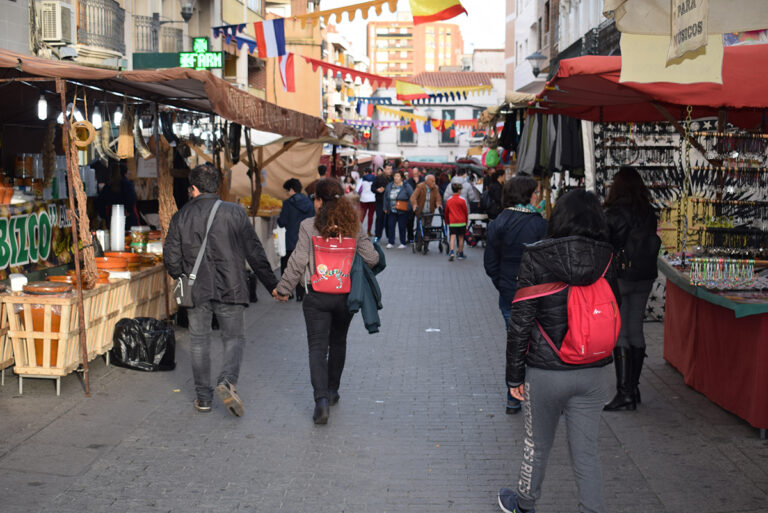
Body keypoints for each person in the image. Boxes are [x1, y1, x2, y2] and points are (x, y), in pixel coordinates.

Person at [499, 188, 618, 513]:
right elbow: (610, 309)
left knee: (536, 446)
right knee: (587, 452)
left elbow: (520, 323)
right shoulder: (607, 256)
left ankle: (524, 505)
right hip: (594, 371)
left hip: (546, 372)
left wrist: (514, 378)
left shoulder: (537, 256)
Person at [164, 164, 279, 416]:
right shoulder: (235, 212)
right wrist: (273, 285)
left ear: (192, 188)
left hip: (196, 290)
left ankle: (203, 399)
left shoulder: (181, 215)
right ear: (216, 186)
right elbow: (255, 252)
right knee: (234, 338)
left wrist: (183, 276)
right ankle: (226, 381)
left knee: (199, 341)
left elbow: (170, 259)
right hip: (232, 285)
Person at [272, 178, 379, 425]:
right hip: (345, 295)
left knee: (317, 347)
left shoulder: (309, 225)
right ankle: (332, 391)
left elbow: (298, 261)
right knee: (338, 342)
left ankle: (320, 401)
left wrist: (284, 289)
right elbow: (372, 258)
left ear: (319, 200)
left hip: (316, 295)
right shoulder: (353, 225)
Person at [484, 176, 547, 414]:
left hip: (511, 294)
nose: (538, 196)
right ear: (527, 194)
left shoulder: (499, 222)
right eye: (536, 192)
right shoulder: (540, 224)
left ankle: (513, 398)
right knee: (541, 345)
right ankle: (538, 397)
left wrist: (503, 285)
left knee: (516, 344)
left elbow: (490, 263)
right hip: (539, 294)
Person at [603, 166, 659, 411]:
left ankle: (624, 392)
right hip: (645, 276)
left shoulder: (613, 213)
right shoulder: (649, 212)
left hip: (621, 276)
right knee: (636, 328)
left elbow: (606, 243)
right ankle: (633, 388)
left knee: (620, 331)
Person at [277, 178, 315, 302]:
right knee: (303, 266)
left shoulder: (288, 203)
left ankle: (288, 292)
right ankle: (301, 293)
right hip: (305, 240)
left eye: (287, 191)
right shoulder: (310, 202)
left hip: (290, 240)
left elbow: (282, 222)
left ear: (292, 189)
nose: (287, 193)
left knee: (287, 265)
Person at [96, 160, 140, 229]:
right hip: (128, 219)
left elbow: (99, 202)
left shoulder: (107, 186)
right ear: (125, 173)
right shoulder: (128, 185)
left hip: (112, 218)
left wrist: (104, 216)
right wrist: (129, 210)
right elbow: (132, 199)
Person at [382, 170, 414, 249]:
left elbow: (412, 197)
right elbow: (385, 197)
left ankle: (402, 242)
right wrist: (385, 207)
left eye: (398, 176)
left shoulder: (406, 186)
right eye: (395, 176)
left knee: (402, 226)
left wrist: (408, 207)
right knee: (390, 225)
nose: (396, 178)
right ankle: (391, 242)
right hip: (392, 209)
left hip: (402, 210)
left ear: (402, 178)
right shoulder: (389, 185)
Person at [444, 182, 468, 261]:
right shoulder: (462, 200)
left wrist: (447, 221)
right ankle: (460, 253)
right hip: (461, 221)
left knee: (452, 236)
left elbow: (446, 212)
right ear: (459, 190)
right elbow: (465, 212)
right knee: (461, 237)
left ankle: (451, 251)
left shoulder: (449, 200)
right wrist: (466, 221)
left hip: (453, 221)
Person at [372, 164, 393, 242]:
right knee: (380, 218)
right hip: (380, 201)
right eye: (388, 169)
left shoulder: (392, 178)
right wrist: (377, 190)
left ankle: (389, 236)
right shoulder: (378, 178)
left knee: (389, 219)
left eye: (391, 168)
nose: (390, 170)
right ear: (384, 169)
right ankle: (377, 235)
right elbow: (372, 188)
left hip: (389, 202)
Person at [406, 167, 424, 243]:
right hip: (410, 204)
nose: (415, 175)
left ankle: (417, 238)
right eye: (413, 173)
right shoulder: (409, 181)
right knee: (409, 222)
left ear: (419, 173)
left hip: (420, 204)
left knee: (420, 222)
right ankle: (410, 237)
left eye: (416, 173)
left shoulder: (423, 180)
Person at [358, 168, 376, 236]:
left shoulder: (362, 179)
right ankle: (369, 231)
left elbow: (358, 189)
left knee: (362, 215)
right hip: (373, 199)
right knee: (370, 216)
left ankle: (358, 231)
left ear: (366, 172)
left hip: (364, 199)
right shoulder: (374, 178)